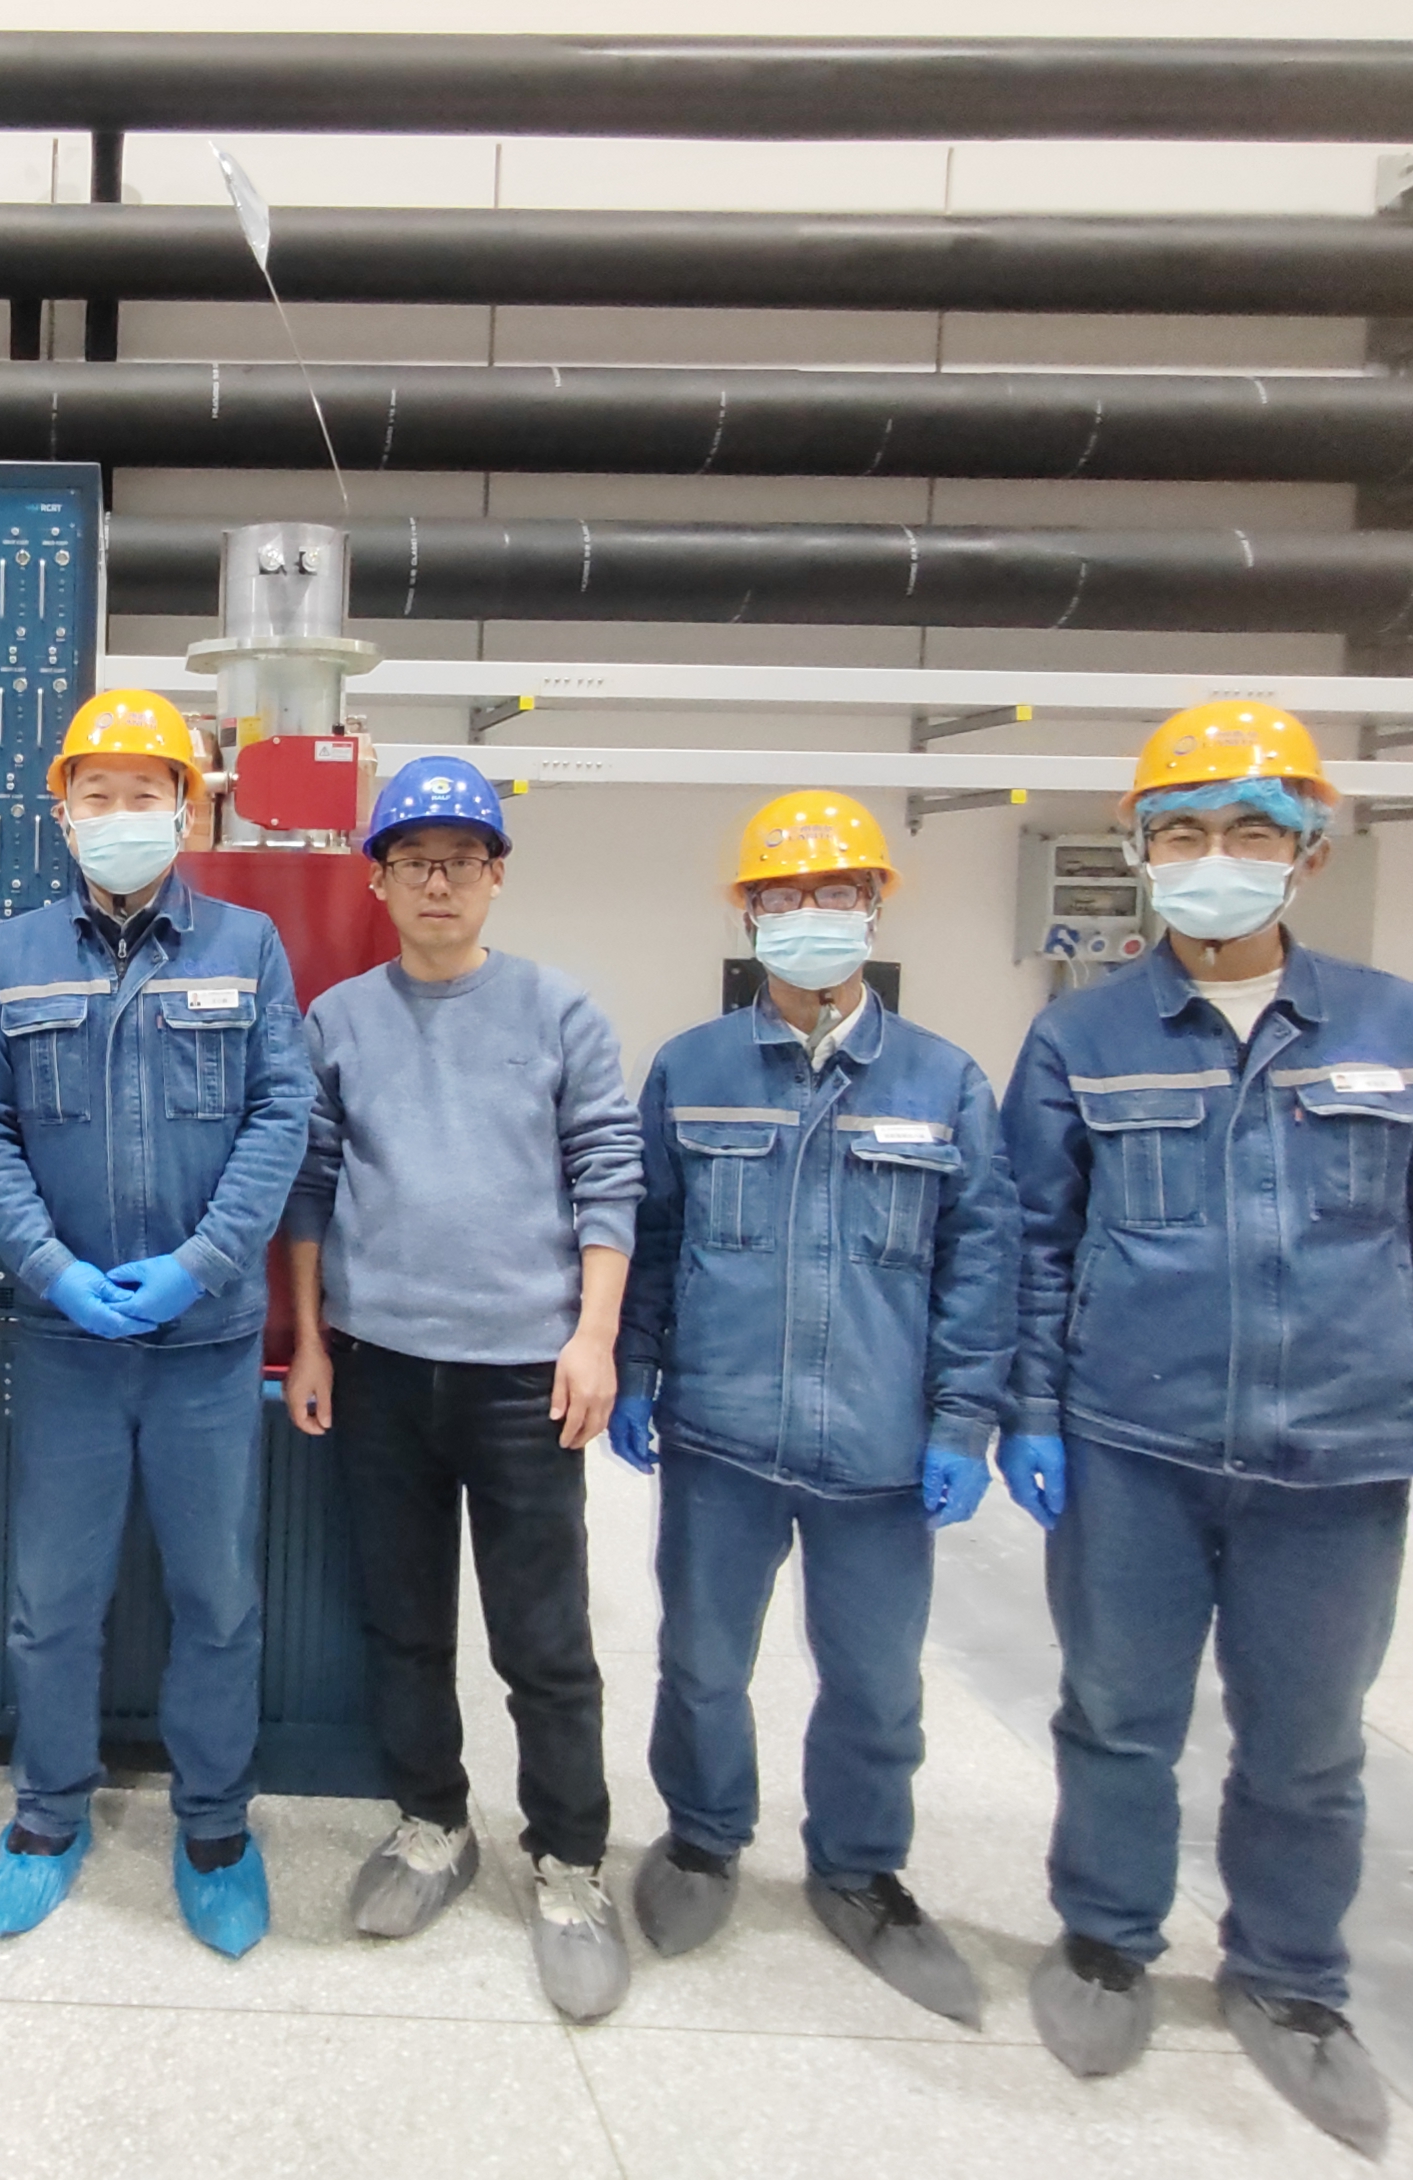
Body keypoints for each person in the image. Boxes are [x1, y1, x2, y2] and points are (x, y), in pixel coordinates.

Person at [1004, 701, 1413, 2155]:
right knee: (1118, 1714)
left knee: (1308, 1742)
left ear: (1308, 852)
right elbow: (1034, 1240)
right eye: (1182, 833)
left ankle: (1292, 1981)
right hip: (1133, 1443)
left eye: (1247, 831)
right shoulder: (1083, 1034)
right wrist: (1030, 1410)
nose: (1213, 859)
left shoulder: (1405, 1029)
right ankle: (1104, 1941)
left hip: (1340, 1458)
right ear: (1141, 852)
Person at [606, 790, 1017, 2024]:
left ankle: (859, 1870)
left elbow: (980, 1265)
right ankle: (700, 1839)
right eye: (781, 897)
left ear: (874, 907)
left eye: (835, 893)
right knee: (701, 1660)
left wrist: (964, 1424)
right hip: (721, 1436)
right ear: (748, 916)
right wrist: (636, 1372)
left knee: (877, 1683)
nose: (809, 915)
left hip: (880, 1452)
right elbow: (653, 1238)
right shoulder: (691, 1068)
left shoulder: (945, 1081)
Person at [0, 686, 312, 1958]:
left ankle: (214, 1827)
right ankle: (47, 1818)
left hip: (207, 1347)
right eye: (94, 794)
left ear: (187, 810)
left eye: (143, 794)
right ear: (62, 812)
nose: (119, 814)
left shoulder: (249, 947)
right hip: (65, 1346)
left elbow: (281, 1113)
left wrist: (202, 1266)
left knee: (217, 1598)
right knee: (53, 1600)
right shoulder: (12, 956)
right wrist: (49, 1270)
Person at [280, 755, 644, 2023]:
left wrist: (594, 1337)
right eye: (414, 862)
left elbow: (609, 1174)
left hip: (523, 1375)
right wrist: (312, 1341)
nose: (438, 882)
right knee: (404, 1623)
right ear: (377, 882)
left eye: (463, 861)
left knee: (544, 1642)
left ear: (497, 878)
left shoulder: (559, 1012)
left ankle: (571, 1863)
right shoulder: (338, 1019)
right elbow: (310, 1189)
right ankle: (434, 1821)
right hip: (378, 1366)